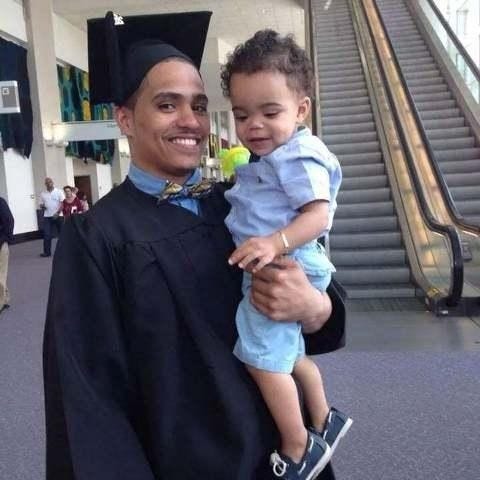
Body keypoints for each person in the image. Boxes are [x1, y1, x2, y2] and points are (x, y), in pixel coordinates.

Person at [43, 11, 345, 480]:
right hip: (193, 462)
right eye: (167, 105)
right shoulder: (98, 237)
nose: (191, 121)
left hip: (287, 457)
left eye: (200, 106)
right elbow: (89, 397)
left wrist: (315, 307)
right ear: (125, 118)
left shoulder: (240, 203)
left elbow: (319, 309)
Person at [220, 30, 352, 479]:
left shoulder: (297, 155)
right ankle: (325, 419)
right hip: (283, 259)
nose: (254, 125)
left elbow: (319, 215)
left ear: (301, 109)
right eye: (242, 115)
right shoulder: (274, 155)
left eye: (270, 112)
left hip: (281, 264)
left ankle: (298, 446)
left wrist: (274, 243)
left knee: (260, 358)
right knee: (291, 355)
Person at [39, 177, 64, 257]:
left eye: (50, 182)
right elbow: (41, 204)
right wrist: (42, 206)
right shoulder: (43, 193)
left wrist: (58, 213)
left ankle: (65, 251)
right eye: (47, 183)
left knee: (62, 234)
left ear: (52, 183)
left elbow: (63, 204)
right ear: (45, 184)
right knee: (47, 234)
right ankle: (47, 252)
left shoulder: (59, 191)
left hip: (58, 216)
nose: (49, 184)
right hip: (47, 216)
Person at [0, 196, 14, 314]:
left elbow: (9, 220)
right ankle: (4, 299)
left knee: (1, 274)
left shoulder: (0, 202)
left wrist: (5, 239)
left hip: (0, 244)